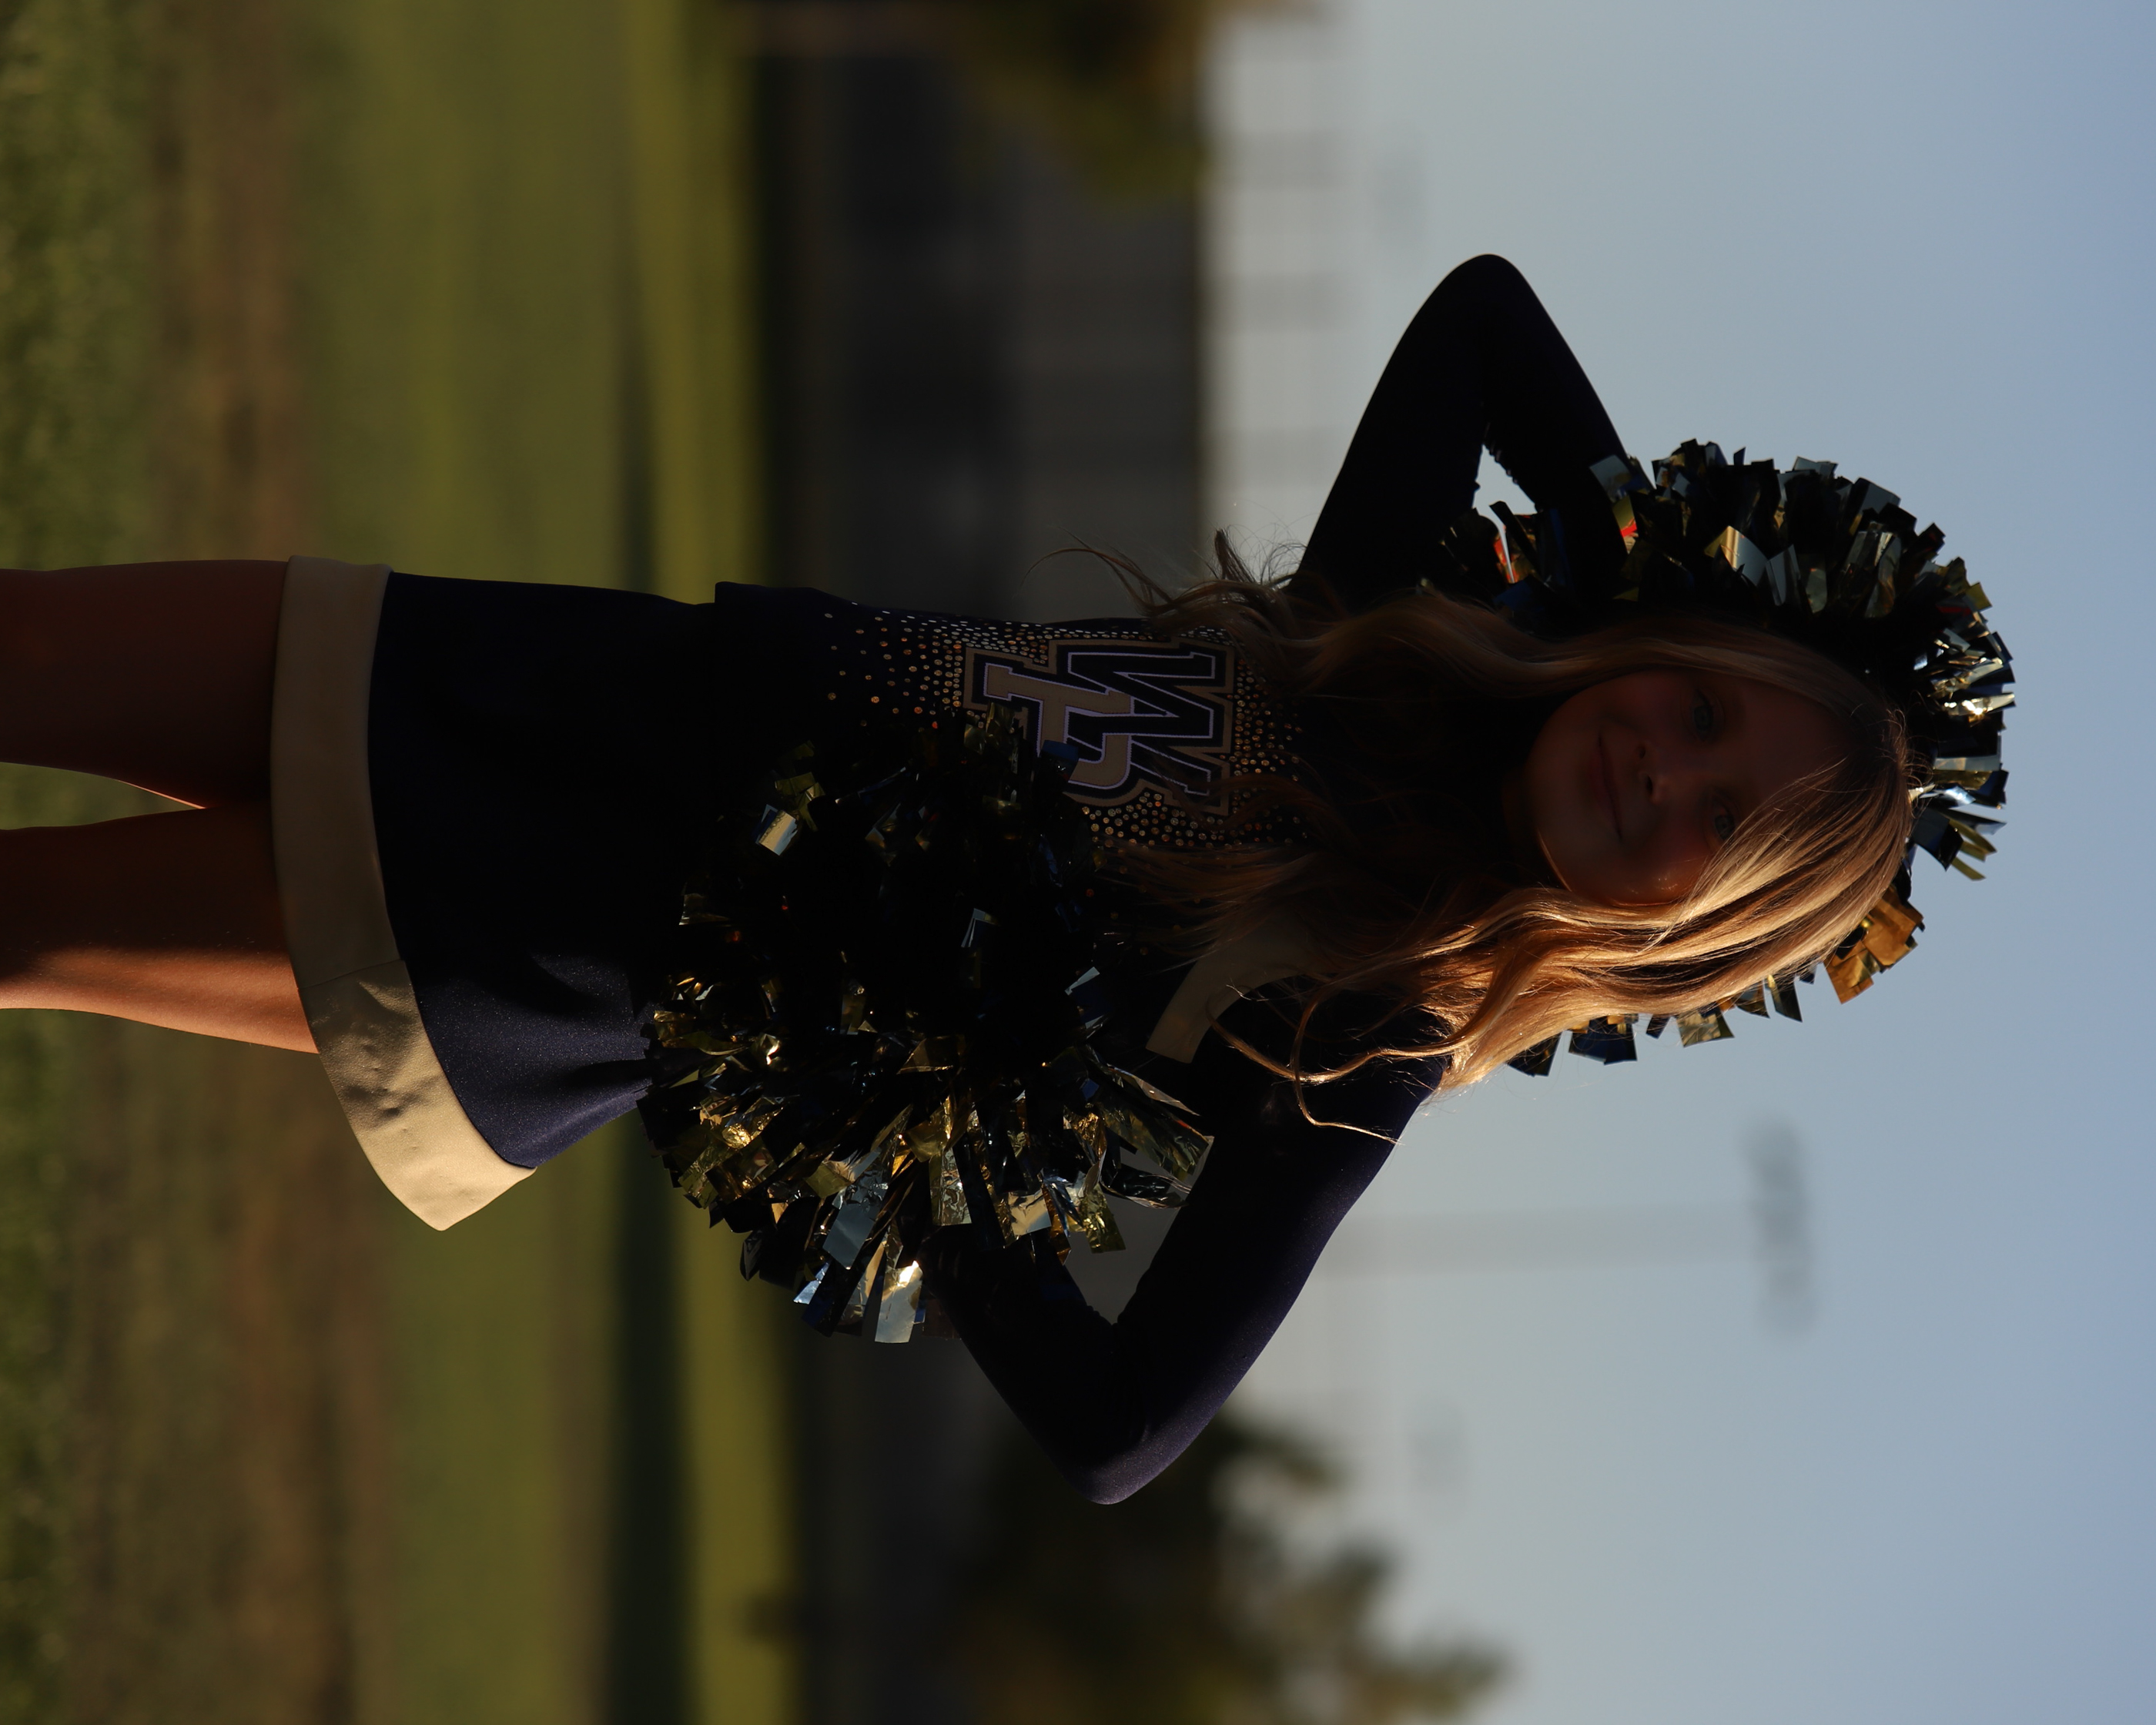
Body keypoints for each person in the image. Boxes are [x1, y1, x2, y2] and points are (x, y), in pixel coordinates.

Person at [0, 256, 2008, 1502]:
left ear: (1680, 936)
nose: (1667, 765)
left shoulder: (1363, 1027)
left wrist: (922, 1131)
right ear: (1669, 648)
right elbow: (1482, 319)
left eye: (1716, 829)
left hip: (548, 944)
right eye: (1706, 711)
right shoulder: (1363, 630)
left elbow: (1125, 1426)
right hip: (578, 679)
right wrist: (1632, 551)